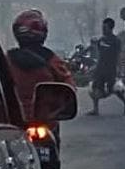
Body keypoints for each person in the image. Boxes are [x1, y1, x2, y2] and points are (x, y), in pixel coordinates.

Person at [6, 9, 74, 147]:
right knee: (53, 161)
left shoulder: (5, 60)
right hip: (46, 122)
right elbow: (69, 88)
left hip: (13, 122)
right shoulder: (52, 60)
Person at [87, 18, 125, 116]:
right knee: (95, 87)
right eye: (102, 27)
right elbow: (99, 54)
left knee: (113, 89)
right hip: (100, 68)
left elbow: (119, 55)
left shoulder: (116, 41)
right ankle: (95, 109)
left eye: (105, 27)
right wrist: (94, 66)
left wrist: (120, 68)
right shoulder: (101, 40)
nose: (103, 29)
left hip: (110, 69)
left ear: (110, 28)